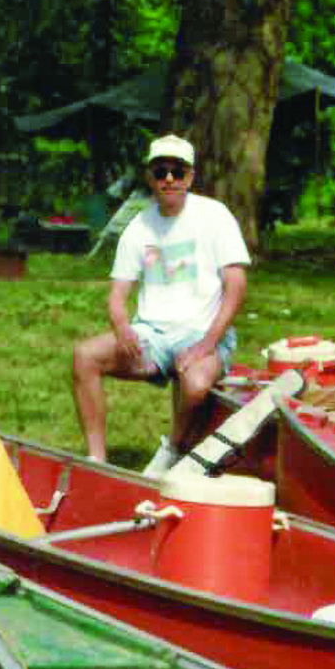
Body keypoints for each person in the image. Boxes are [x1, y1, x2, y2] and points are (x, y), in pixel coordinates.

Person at [71, 134, 249, 473]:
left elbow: (236, 286)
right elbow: (117, 294)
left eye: (177, 171)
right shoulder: (138, 227)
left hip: (204, 333)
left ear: (190, 177)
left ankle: (173, 448)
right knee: (84, 356)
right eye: (160, 171)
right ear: (149, 177)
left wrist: (206, 345)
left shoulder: (215, 215)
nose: (169, 179)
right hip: (151, 334)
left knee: (196, 384)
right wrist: (122, 327)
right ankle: (96, 460)